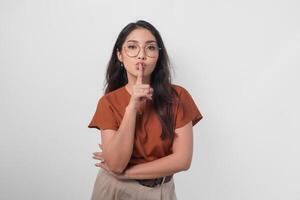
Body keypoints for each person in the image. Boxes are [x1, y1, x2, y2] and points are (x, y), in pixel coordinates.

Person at [88, 20, 203, 200]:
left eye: (150, 48)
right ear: (119, 55)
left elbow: (182, 160)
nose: (141, 55)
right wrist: (132, 107)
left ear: (158, 55)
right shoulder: (109, 102)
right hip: (115, 190)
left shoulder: (178, 96)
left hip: (161, 190)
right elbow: (116, 164)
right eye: (132, 47)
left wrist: (127, 174)